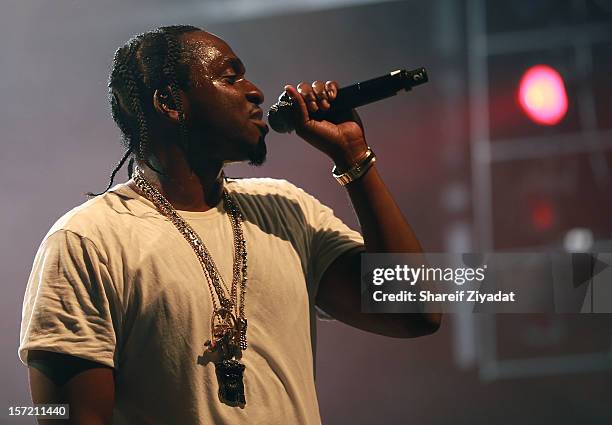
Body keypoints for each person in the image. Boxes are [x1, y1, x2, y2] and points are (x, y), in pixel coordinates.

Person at [19, 25, 441, 425]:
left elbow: (416, 310)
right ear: (170, 101)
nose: (255, 92)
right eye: (230, 77)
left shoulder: (285, 209)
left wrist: (353, 157)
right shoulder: (89, 240)